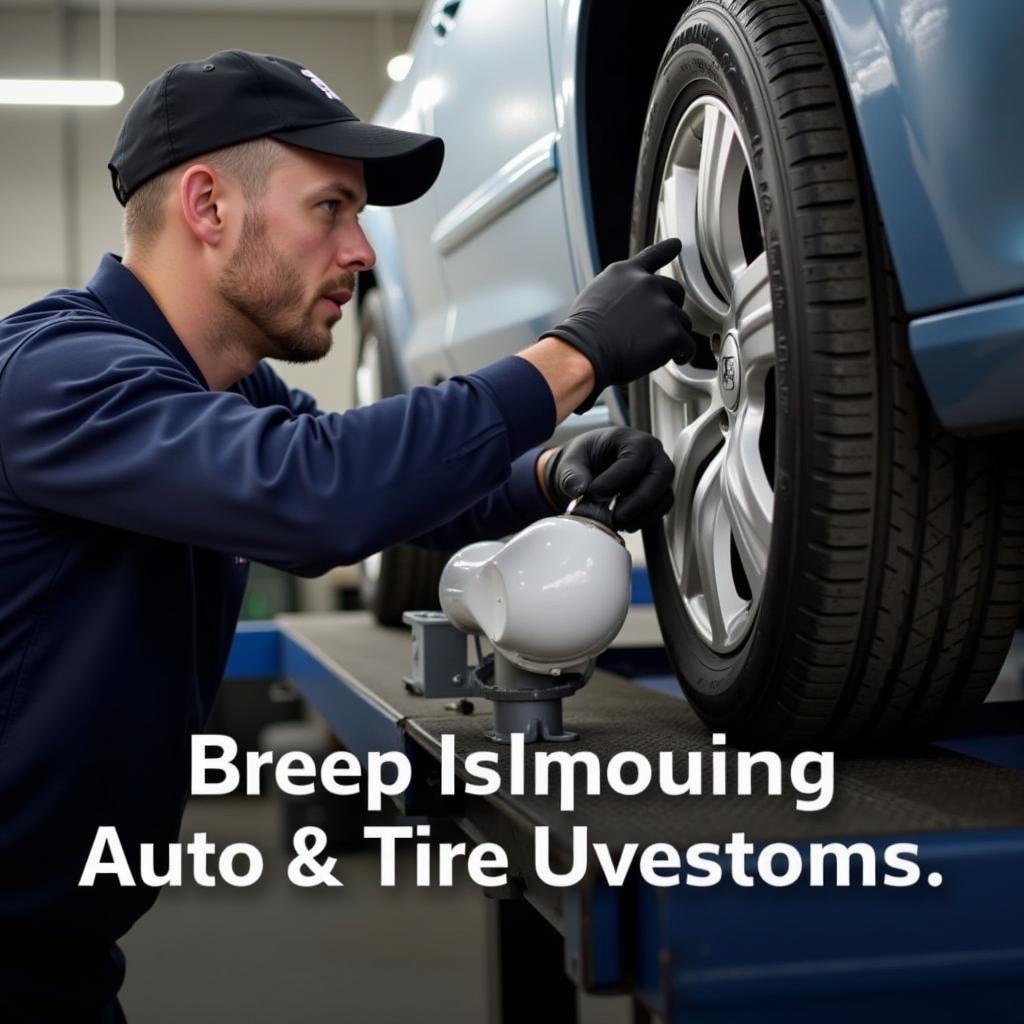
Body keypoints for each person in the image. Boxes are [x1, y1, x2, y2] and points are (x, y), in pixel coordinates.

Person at [0, 50, 694, 1021]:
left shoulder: (215, 384)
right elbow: (314, 493)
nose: (361, 251)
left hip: (53, 958)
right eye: (330, 207)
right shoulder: (57, 375)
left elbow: (380, 486)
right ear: (208, 207)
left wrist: (546, 473)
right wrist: (569, 358)